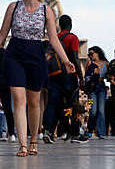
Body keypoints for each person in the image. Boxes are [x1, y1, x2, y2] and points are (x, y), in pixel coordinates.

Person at [0, 0, 75, 157]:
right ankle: (22, 145)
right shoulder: (13, 7)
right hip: (15, 54)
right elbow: (2, 34)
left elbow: (53, 38)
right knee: (19, 100)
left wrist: (66, 60)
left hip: (35, 54)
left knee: (34, 102)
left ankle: (34, 139)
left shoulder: (47, 11)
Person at [43, 14, 86, 144]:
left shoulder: (54, 38)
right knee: (73, 105)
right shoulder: (72, 38)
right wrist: (80, 76)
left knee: (54, 104)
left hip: (54, 75)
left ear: (60, 25)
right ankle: (75, 133)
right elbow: (74, 57)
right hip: (68, 76)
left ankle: (48, 131)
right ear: (70, 24)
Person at [85, 46, 108, 139]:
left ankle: (101, 132)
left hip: (102, 88)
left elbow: (109, 75)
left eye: (91, 53)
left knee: (101, 111)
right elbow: (86, 77)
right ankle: (89, 130)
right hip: (92, 89)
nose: (90, 55)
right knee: (93, 111)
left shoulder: (106, 63)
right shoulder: (89, 63)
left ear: (97, 53)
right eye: (88, 54)